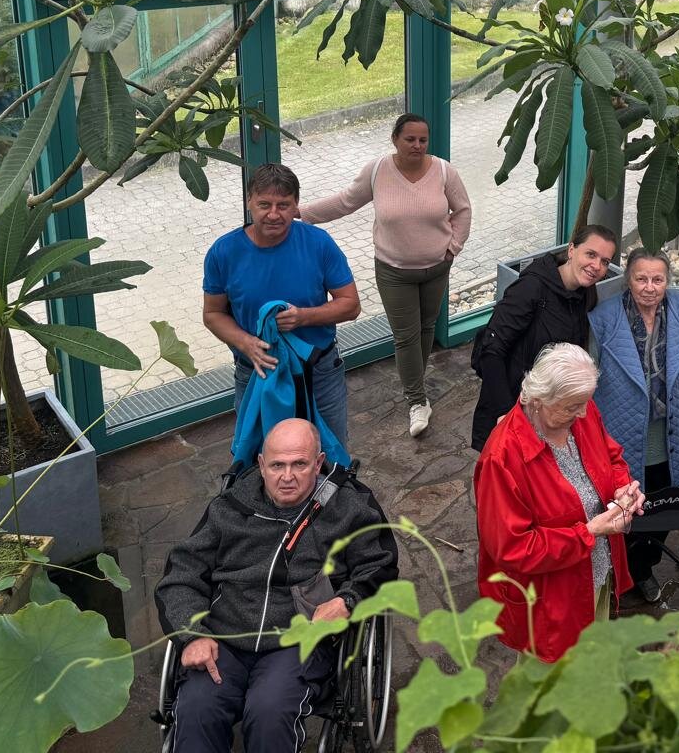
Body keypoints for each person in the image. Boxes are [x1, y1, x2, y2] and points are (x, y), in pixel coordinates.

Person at [155, 419, 399, 753]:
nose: (287, 476)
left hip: (296, 642)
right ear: (260, 464)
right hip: (223, 637)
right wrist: (192, 635)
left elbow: (380, 564)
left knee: (270, 713)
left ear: (319, 462)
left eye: (300, 464)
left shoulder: (349, 507)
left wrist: (347, 600)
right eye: (277, 465)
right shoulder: (230, 507)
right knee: (197, 709)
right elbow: (181, 573)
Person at [299, 114, 472, 439]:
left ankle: (416, 383)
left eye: (423, 140)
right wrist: (301, 213)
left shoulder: (444, 171)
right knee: (405, 336)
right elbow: (345, 202)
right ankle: (417, 401)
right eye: (410, 139)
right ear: (395, 139)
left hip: (436, 268)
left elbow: (462, 210)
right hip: (394, 272)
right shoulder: (378, 170)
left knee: (426, 328)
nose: (417, 145)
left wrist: (453, 248)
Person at [474, 342, 644, 662]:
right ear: (538, 401)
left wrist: (623, 488)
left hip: (595, 573)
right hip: (550, 601)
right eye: (572, 407)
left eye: (585, 403)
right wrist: (589, 532)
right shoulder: (502, 458)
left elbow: (611, 457)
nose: (583, 414)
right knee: (549, 681)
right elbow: (513, 548)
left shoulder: (578, 411)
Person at [590, 248, 679, 605]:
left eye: (657, 279)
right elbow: (588, 376)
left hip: (672, 433)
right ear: (628, 280)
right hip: (620, 433)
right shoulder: (604, 319)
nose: (649, 287)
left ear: (667, 281)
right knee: (623, 506)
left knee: (663, 503)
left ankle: (643, 568)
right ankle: (619, 570)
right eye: (641, 279)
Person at [203, 164, 360, 447]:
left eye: (283, 205)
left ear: (296, 205)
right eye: (264, 204)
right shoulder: (224, 252)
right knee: (260, 453)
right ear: (249, 201)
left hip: (319, 371)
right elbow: (213, 314)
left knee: (331, 452)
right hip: (257, 370)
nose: (274, 214)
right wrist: (246, 343)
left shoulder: (319, 243)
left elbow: (350, 305)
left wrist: (303, 317)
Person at [469, 225, 618, 451]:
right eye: (591, 254)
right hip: (511, 409)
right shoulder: (531, 288)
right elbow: (491, 350)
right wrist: (505, 414)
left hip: (548, 417)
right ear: (571, 250)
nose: (597, 266)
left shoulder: (585, 294)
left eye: (605, 261)